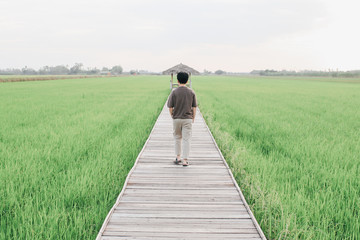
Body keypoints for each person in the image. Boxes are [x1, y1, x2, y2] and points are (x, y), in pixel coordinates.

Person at [167, 72, 197, 166]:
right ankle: (185, 160)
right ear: (187, 81)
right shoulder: (191, 92)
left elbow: (170, 106)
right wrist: (193, 118)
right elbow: (194, 107)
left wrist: (172, 115)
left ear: (177, 80)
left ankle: (178, 157)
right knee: (186, 139)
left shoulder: (174, 92)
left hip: (176, 118)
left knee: (177, 137)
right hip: (187, 118)